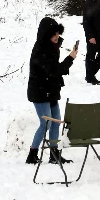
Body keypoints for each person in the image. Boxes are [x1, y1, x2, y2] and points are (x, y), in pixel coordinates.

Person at [26, 17, 77, 165]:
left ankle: (54, 155)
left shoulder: (52, 47)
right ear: (45, 35)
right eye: (53, 34)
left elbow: (55, 71)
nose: (57, 37)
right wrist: (71, 58)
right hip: (40, 92)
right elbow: (54, 71)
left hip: (51, 90)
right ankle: (32, 154)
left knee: (56, 123)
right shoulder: (40, 51)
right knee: (46, 124)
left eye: (57, 33)